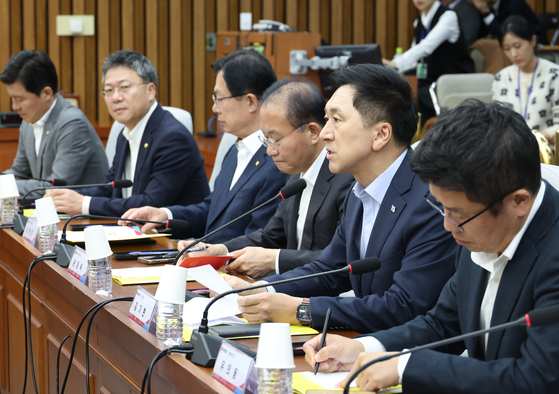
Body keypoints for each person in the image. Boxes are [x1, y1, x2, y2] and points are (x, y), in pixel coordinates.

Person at [304, 100, 559, 393]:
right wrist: (364, 347)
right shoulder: (477, 226)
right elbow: (443, 325)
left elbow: (536, 379)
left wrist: (404, 366)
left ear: (519, 202)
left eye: (458, 215)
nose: (448, 226)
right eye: (442, 209)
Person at [221, 64, 457, 333]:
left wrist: (301, 309)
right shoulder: (360, 191)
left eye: (337, 120)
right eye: (326, 118)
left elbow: (403, 306)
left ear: (381, 134)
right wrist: (262, 290)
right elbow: (330, 269)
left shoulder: (429, 201)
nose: (324, 133)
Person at [182, 79, 354, 279]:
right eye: (265, 140)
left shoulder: (347, 180)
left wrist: (275, 259)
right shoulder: (295, 175)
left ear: (312, 132)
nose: (270, 151)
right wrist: (221, 250)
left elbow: (341, 260)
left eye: (275, 140)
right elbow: (271, 236)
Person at [120, 50, 287, 243]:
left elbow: (260, 240)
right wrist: (166, 215)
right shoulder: (235, 150)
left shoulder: (277, 161)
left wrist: (205, 251)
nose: (215, 108)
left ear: (250, 102)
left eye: (219, 99)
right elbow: (212, 210)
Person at [46, 50, 209, 217]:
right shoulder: (125, 133)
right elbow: (109, 189)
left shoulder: (173, 138)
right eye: (108, 90)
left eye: (124, 87)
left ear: (150, 91)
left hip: (174, 239)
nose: (115, 97)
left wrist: (84, 204)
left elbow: (150, 204)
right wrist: (64, 199)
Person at [0, 50, 108, 198]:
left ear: (46, 93)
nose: (14, 106)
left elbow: (55, 187)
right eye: (12, 98)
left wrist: (4, 185)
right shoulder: (28, 121)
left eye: (20, 99)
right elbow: (19, 172)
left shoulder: (72, 124)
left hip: (86, 218)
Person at [383, 0, 474, 124]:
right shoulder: (419, 22)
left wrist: (396, 64)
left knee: (413, 93)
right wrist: (392, 68)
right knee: (405, 88)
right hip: (431, 81)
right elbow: (416, 58)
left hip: (455, 80)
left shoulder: (448, 16)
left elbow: (426, 47)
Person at [492, 15, 559, 144]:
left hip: (547, 153)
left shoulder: (554, 75)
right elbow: (496, 123)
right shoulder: (501, 78)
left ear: (533, 41)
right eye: (507, 49)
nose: (513, 54)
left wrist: (535, 140)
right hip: (511, 153)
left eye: (517, 46)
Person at [473, 0, 547, 44]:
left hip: (536, 46)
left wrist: (487, 14)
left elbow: (510, 34)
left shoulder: (515, 4)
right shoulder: (481, 8)